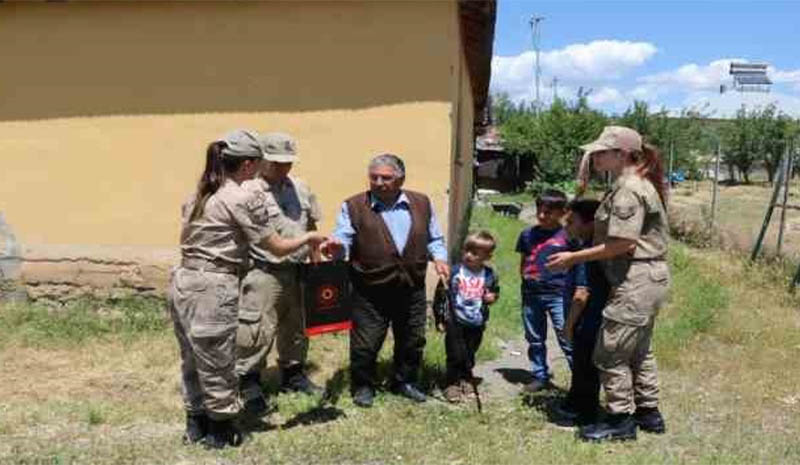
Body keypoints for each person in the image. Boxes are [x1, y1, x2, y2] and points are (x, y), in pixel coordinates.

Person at [168, 129, 331, 449]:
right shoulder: (241, 196)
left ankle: (196, 423)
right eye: (259, 163)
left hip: (184, 280)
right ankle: (220, 429)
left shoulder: (201, 191)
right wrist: (309, 240)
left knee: (191, 358)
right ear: (247, 164)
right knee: (217, 358)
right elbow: (278, 246)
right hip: (213, 285)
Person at [547, 125, 670, 442]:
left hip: (636, 278)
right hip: (646, 278)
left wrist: (573, 259)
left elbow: (622, 244)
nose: (596, 156)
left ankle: (620, 421)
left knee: (610, 352)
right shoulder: (631, 184)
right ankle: (648, 413)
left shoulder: (629, 189)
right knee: (639, 350)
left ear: (623, 154)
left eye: (602, 151)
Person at [332, 153, 450, 408]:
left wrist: (440, 258)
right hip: (370, 288)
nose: (378, 182)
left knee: (412, 338)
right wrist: (336, 249)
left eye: (386, 177)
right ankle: (363, 385)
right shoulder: (353, 205)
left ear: (401, 179)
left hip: (411, 285)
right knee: (366, 341)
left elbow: (434, 238)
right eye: (374, 177)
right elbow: (343, 238)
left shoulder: (421, 203)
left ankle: (404, 381)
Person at [236, 133, 324, 418]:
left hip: (297, 270)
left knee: (296, 327)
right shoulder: (248, 191)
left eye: (288, 162)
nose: (283, 168)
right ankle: (249, 383)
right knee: (256, 329)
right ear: (262, 160)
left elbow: (310, 227)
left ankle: (293, 375)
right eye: (276, 163)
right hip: (264, 270)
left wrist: (316, 266)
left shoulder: (301, 187)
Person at [552, 198, 610, 427]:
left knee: (586, 367)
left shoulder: (585, 253)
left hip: (587, 321)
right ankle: (574, 403)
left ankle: (586, 414)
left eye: (572, 221)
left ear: (589, 224)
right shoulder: (586, 249)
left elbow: (581, 294)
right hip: (588, 321)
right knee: (581, 365)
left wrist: (568, 326)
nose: (567, 225)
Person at [516, 189, 574, 392]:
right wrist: (524, 278)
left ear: (562, 213)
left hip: (559, 295)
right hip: (531, 294)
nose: (541, 215)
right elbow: (524, 260)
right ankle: (539, 375)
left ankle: (580, 378)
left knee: (566, 336)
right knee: (534, 338)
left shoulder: (569, 236)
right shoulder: (527, 234)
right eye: (539, 210)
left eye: (548, 212)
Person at [440, 230, 500, 403]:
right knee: (454, 353)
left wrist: (492, 298)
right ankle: (451, 383)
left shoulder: (489, 274)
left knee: (470, 352)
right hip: (455, 320)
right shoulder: (455, 271)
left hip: (476, 321)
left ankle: (466, 378)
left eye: (474, 253)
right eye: (466, 250)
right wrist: (441, 319)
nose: (468, 255)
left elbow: (495, 292)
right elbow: (441, 295)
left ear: (487, 256)